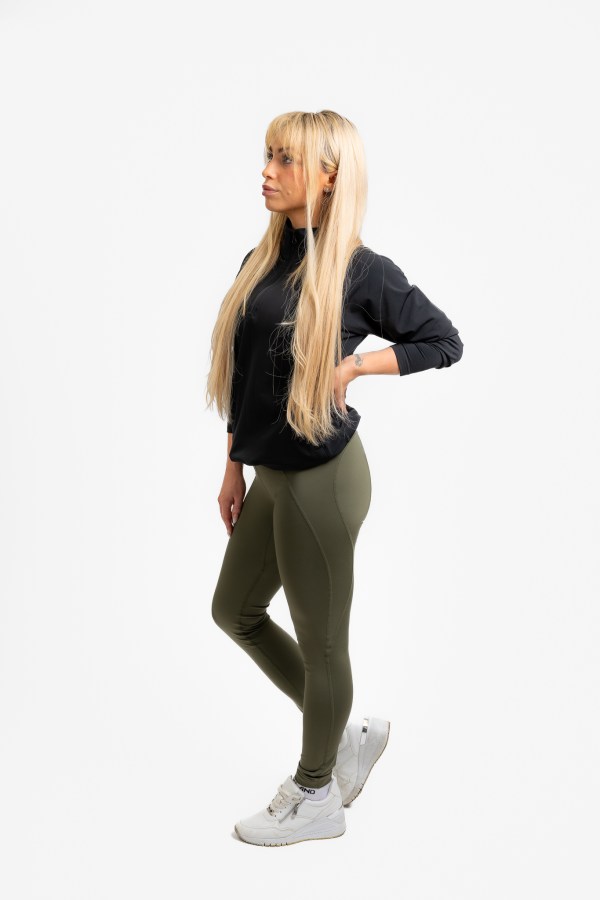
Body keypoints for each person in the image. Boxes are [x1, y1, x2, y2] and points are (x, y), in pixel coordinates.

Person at [205, 110, 464, 847]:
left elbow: (443, 339)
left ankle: (316, 792)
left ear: (329, 176)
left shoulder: (360, 270)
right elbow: (244, 378)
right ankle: (344, 734)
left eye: (285, 160)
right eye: (267, 155)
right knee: (234, 611)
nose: (267, 171)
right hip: (270, 473)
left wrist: (354, 365)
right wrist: (233, 463)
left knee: (322, 645)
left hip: (323, 479)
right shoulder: (260, 262)